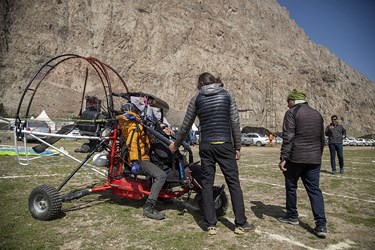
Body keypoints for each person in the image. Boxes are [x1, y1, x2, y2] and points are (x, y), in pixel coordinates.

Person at [169, 72, 255, 235]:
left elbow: (186, 125)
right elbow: (235, 122)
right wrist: (238, 146)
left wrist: (176, 144)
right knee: (233, 183)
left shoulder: (197, 98)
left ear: (201, 83)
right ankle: (240, 224)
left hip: (207, 145)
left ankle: (211, 224)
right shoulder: (228, 95)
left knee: (207, 184)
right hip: (225, 144)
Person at [278, 89, 327, 238]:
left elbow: (288, 137)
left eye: (288, 101)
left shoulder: (292, 113)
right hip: (314, 159)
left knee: (291, 187)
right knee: (314, 190)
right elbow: (322, 140)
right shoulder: (317, 114)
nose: (287, 105)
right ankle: (321, 225)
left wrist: (283, 157)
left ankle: (292, 216)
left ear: (293, 101)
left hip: (296, 158)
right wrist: (317, 156)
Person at [117, 102, 167, 220]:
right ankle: (149, 208)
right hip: (140, 159)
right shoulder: (135, 125)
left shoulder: (127, 123)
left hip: (142, 157)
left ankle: (161, 194)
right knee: (161, 176)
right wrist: (134, 161)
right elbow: (132, 143)